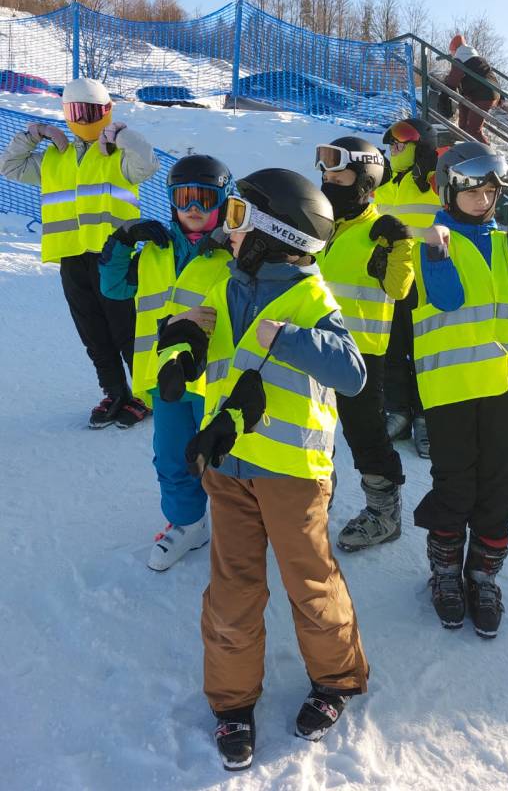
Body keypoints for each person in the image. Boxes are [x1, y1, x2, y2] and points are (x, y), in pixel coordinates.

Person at [154, 168, 368, 771]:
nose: (228, 229)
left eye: (239, 218)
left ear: (276, 235)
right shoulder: (229, 285)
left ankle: (336, 679)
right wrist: (181, 346)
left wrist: (288, 337)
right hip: (229, 467)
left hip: (292, 475)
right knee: (232, 589)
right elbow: (210, 347)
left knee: (310, 583)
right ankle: (232, 700)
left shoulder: (311, 298)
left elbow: (352, 373)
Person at [414, 141, 508, 637]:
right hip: (451, 387)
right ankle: (445, 575)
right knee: (455, 485)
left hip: (502, 386)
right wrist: (436, 253)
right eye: (472, 191)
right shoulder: (434, 239)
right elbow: (447, 299)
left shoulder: (504, 245)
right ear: (447, 191)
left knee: (499, 486)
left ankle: (482, 577)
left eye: (490, 192)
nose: (482, 200)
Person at [99, 155, 233, 570]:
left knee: (227, 458)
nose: (193, 208)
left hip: (215, 378)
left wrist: (239, 247)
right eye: (183, 197)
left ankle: (241, 526)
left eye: (204, 199)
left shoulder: (235, 251)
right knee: (173, 456)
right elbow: (113, 286)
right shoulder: (154, 252)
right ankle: (187, 523)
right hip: (166, 378)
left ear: (223, 201)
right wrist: (122, 240)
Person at [0, 77, 159, 427]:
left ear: (107, 111)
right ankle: (114, 392)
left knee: (127, 329)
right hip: (72, 256)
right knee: (92, 331)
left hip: (114, 257)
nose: (84, 119)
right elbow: (10, 166)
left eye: (92, 111)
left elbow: (148, 164)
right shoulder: (55, 159)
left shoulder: (118, 157)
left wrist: (121, 135)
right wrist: (35, 133)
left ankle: (145, 395)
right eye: (76, 112)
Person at [315, 136, 414, 551]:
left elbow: (399, 288)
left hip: (361, 354)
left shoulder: (380, 232)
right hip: (315, 346)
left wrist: (400, 245)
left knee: (365, 433)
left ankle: (384, 513)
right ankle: (316, 495)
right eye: (326, 176)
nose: (328, 183)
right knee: (311, 427)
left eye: (338, 178)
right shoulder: (322, 225)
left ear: (365, 182)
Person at [374, 117, 440, 459]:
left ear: (421, 148)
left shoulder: (435, 184)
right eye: (391, 146)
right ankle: (398, 411)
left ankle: (426, 418)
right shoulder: (383, 187)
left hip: (427, 281)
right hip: (392, 277)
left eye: (401, 145)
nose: (394, 151)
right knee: (393, 347)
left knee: (424, 350)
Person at [438, 34, 502, 145]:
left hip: (483, 93)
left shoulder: (460, 56)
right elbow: (488, 74)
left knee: (473, 131)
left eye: (452, 52)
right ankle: (468, 147)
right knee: (465, 125)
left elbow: (454, 77)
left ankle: (486, 153)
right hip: (488, 90)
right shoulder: (474, 56)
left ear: (454, 50)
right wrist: (501, 95)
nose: (452, 55)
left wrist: (444, 95)